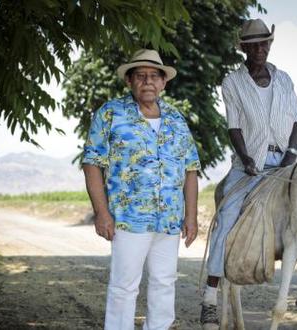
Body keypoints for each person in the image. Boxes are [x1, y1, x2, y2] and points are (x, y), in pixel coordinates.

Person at [200, 19, 297, 328]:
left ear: (270, 45)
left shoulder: (284, 80)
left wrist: (291, 153)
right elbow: (233, 126)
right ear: (244, 48)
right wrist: (245, 158)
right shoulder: (232, 83)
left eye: (265, 43)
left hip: (285, 160)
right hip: (250, 164)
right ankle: (209, 298)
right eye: (254, 44)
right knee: (226, 218)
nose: (260, 49)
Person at [82, 49, 201, 330]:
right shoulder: (110, 113)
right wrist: (101, 213)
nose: (148, 81)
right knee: (124, 286)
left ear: (163, 82)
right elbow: (92, 164)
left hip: (169, 220)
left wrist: (191, 216)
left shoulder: (176, 119)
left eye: (154, 76)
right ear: (129, 81)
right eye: (140, 76)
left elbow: (191, 169)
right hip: (128, 219)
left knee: (165, 282)